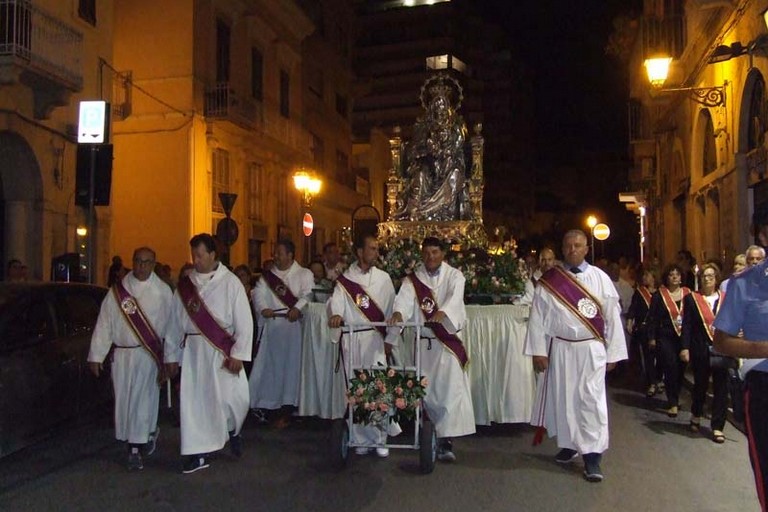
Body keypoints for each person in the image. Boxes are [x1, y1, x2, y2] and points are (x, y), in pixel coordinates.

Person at [525, 229, 626, 483]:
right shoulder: (550, 280)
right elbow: (537, 316)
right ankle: (570, 444)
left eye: (577, 245)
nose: (572, 249)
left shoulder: (600, 278)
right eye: (568, 245)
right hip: (560, 348)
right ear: (563, 248)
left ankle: (592, 455)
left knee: (590, 400)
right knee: (565, 398)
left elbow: (612, 317)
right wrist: (539, 350)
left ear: (586, 248)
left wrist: (613, 352)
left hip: (590, 348)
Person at [165, 233, 253, 474]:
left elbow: (244, 321)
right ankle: (197, 452)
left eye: (201, 255)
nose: (196, 260)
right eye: (194, 255)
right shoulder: (185, 287)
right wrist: (171, 356)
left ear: (213, 254)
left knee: (234, 399)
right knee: (196, 403)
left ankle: (233, 429)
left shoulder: (230, 282)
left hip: (221, 351)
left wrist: (239, 354)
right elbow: (173, 324)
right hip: (193, 353)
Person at [387, 237, 475, 462]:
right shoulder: (413, 280)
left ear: (443, 253)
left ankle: (446, 441)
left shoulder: (455, 275)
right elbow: (403, 301)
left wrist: (443, 312)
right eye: (426, 253)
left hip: (447, 343)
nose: (430, 257)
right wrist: (398, 314)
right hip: (424, 342)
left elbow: (455, 298)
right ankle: (426, 434)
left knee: (447, 391)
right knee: (425, 390)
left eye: (435, 252)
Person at [88, 247, 173, 471]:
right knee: (125, 401)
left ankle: (135, 449)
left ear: (153, 264)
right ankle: (144, 434)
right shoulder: (117, 292)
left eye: (146, 262)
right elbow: (104, 324)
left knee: (140, 401)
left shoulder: (163, 292)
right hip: (122, 355)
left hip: (147, 355)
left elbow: (171, 328)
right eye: (138, 261)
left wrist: (170, 357)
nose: (141, 266)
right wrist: (97, 354)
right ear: (132, 262)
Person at [713, 217, 768, 511]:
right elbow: (721, 341)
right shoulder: (744, 284)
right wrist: (763, 348)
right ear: (763, 235)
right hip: (764, 388)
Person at [328, 235, 397, 458]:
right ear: (359, 252)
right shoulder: (345, 280)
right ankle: (359, 438)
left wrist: (390, 340)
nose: (376, 252)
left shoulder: (384, 279)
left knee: (377, 388)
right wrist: (336, 314)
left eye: (377, 249)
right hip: (352, 339)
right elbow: (335, 302)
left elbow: (392, 311)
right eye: (372, 248)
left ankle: (379, 438)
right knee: (356, 390)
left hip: (375, 340)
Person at [249, 239, 314, 428]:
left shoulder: (304, 273)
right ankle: (266, 404)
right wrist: (263, 309)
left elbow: (308, 294)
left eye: (279, 253)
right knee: (270, 368)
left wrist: (297, 308)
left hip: (295, 331)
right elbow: (258, 295)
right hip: (273, 329)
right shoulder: (267, 278)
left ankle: (291, 406)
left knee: (293, 368)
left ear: (290, 255)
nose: (275, 256)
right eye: (275, 253)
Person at [680, 262, 728, 442]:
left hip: (722, 348)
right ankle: (696, 415)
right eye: (704, 276)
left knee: (721, 388)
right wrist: (685, 347)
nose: (707, 279)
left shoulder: (725, 298)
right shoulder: (693, 299)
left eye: (711, 276)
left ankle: (717, 426)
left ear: (717, 279)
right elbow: (687, 325)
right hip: (700, 348)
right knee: (700, 385)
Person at [646, 264, 691, 417]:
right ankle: (672, 402)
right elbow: (652, 318)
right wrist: (651, 337)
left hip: (684, 337)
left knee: (680, 369)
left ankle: (676, 394)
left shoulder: (688, 294)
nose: (674, 277)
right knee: (670, 367)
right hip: (665, 337)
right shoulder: (660, 295)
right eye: (671, 274)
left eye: (677, 274)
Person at [626, 268, 662, 397]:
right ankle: (651, 382)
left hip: (659, 329)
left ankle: (658, 379)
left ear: (654, 277)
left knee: (661, 357)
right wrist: (630, 321)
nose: (644, 277)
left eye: (647, 274)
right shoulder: (640, 292)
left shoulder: (661, 292)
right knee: (648, 356)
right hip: (644, 328)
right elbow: (633, 308)